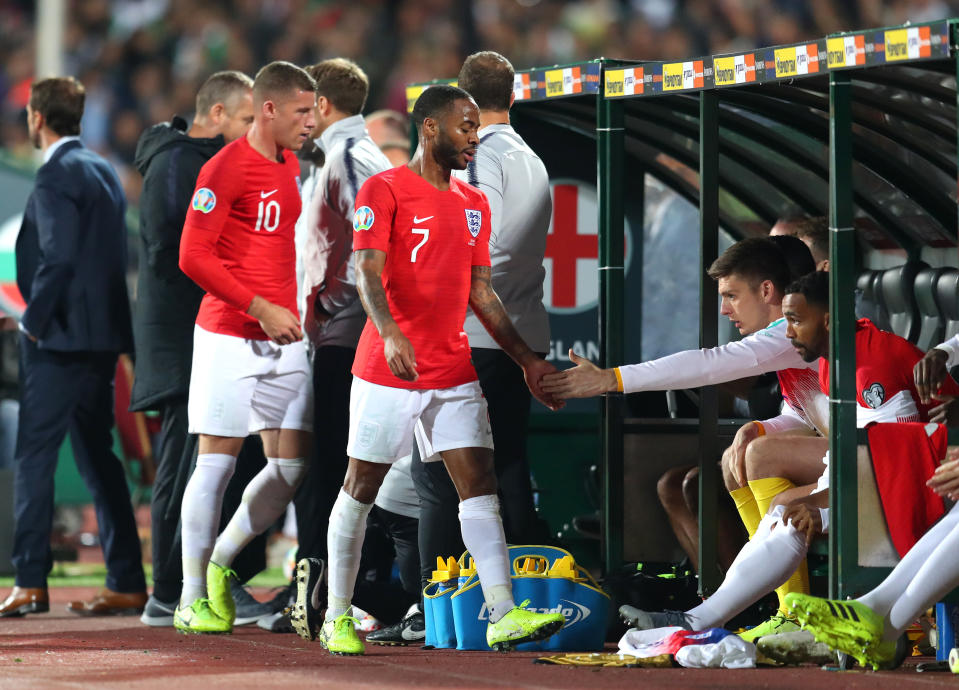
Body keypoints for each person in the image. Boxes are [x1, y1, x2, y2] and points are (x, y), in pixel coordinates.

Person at [315, 84, 566, 656]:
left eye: (477, 127)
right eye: (465, 127)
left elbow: (483, 293)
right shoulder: (384, 190)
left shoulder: (473, 204)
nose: (474, 137)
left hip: (452, 369)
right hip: (388, 370)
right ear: (429, 128)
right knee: (361, 487)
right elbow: (367, 274)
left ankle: (503, 613)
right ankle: (335, 616)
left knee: (477, 485)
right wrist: (390, 331)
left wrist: (525, 359)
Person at [622, 271, 958, 662]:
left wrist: (826, 503)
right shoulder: (836, 361)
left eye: (797, 321)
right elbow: (868, 456)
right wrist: (821, 499)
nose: (788, 333)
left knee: (793, 511)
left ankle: (855, 617)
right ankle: (698, 619)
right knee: (786, 511)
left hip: (928, 482)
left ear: (829, 320)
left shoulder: (875, 361)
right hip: (908, 477)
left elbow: (899, 457)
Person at [542, 236, 821, 639]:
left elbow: (709, 364)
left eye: (731, 295)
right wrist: (758, 427)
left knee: (758, 458)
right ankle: (775, 607)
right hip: (840, 452)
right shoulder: (788, 335)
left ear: (766, 291)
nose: (725, 309)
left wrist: (611, 378)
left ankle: (794, 613)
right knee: (739, 459)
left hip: (871, 456)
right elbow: (806, 408)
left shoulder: (789, 331)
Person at [400, 51, 554, 643]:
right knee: (505, 468)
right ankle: (523, 594)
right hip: (522, 330)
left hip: (475, 335)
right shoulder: (531, 157)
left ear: (465, 103)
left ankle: (430, 606)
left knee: (439, 473)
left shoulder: (480, 157)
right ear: (511, 96)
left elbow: (473, 234)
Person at [131, 71, 280, 627]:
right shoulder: (177, 164)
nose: (249, 133)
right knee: (188, 462)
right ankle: (171, 589)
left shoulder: (194, 162)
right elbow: (175, 247)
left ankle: (203, 580)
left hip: (206, 331)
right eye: (244, 121)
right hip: (183, 336)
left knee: (212, 460)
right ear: (216, 114)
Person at [173, 61, 317, 634]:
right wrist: (260, 306)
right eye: (303, 111)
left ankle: (217, 564)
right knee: (216, 466)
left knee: (291, 467)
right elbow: (192, 255)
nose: (312, 121)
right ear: (270, 109)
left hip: (286, 339)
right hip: (230, 337)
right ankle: (189, 599)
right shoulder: (224, 168)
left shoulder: (289, 164)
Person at [0, 77, 147, 617]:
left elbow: (58, 259)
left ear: (37, 117)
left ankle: (31, 581)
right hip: (101, 340)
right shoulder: (102, 169)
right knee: (97, 458)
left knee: (35, 457)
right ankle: (128, 579)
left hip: (58, 341)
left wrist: (31, 320)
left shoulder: (55, 174)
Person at [277, 58, 404, 636]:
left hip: (345, 335)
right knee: (335, 465)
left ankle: (325, 592)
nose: (302, 120)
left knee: (334, 466)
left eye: (306, 108)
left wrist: (331, 305)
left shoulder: (351, 158)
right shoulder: (348, 156)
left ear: (321, 106)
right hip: (343, 333)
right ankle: (323, 589)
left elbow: (369, 242)